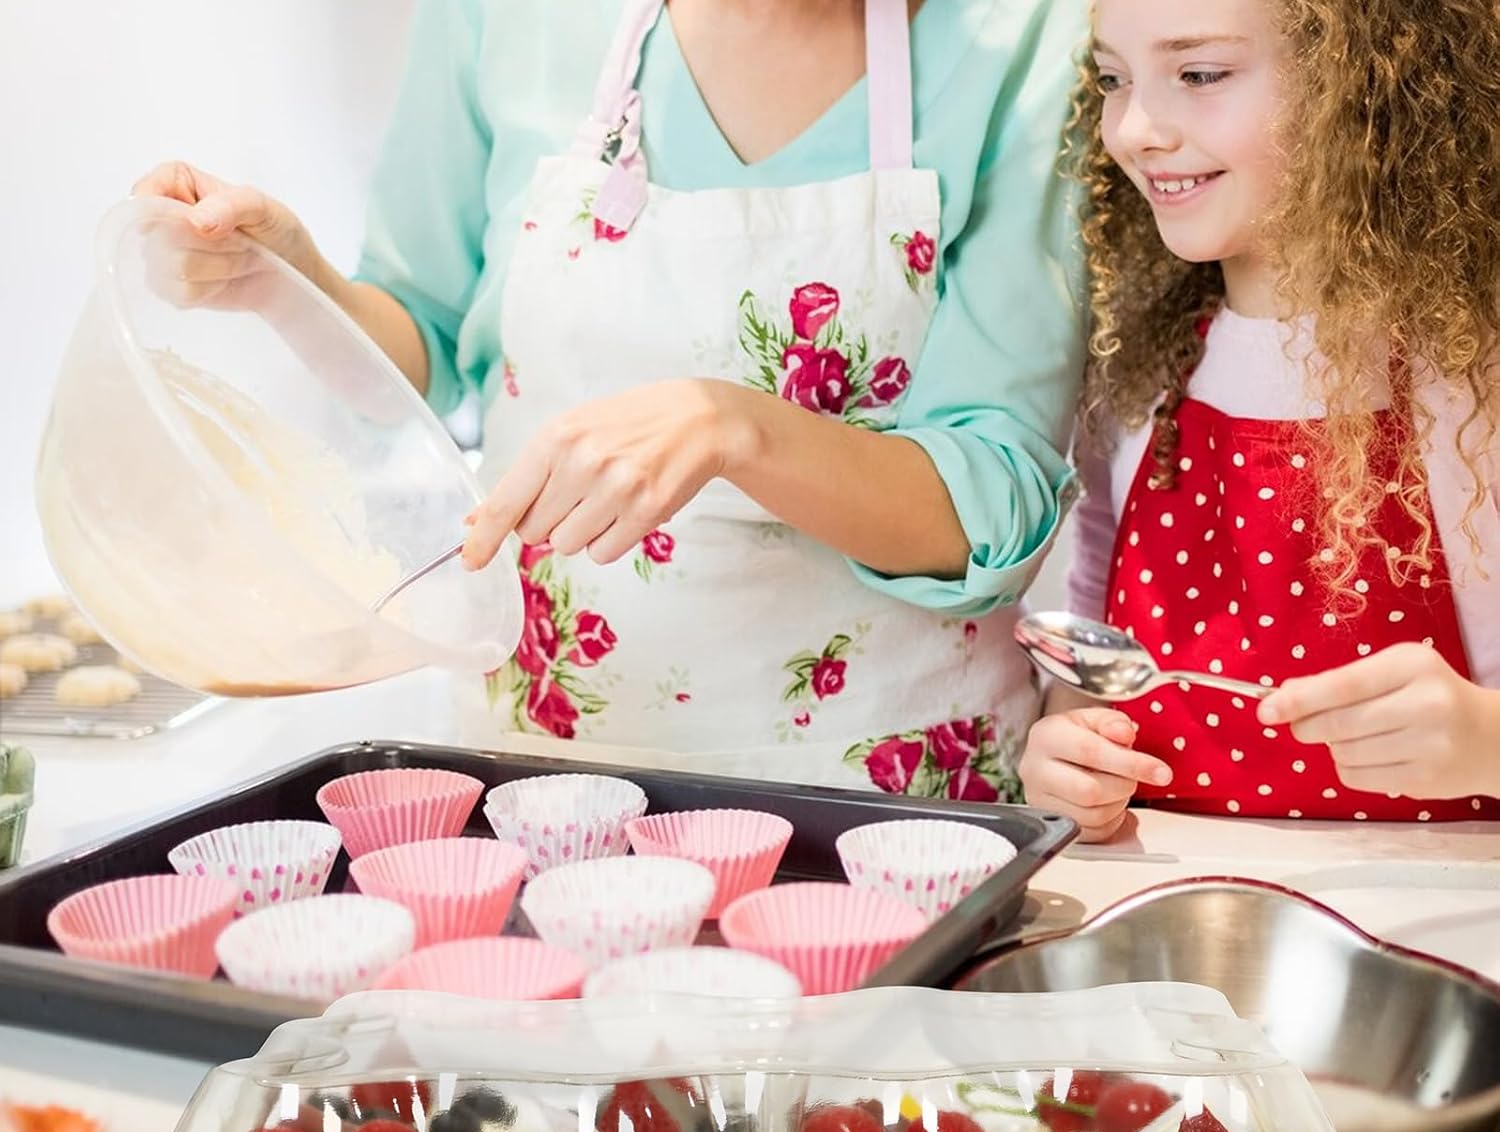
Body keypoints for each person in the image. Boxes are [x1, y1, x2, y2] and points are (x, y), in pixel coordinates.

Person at [135, 0, 1086, 800]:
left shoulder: (1020, 32)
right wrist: (287, 283)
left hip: (883, 811)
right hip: (544, 792)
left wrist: (738, 428)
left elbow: (990, 506)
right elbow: (420, 344)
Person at [1019, 0, 1500, 839]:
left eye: (1199, 74)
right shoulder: (1136, 367)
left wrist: (1486, 744)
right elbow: (1090, 661)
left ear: (1364, 85)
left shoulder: (1471, 378)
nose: (1133, 130)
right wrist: (1066, 758)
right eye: (1112, 80)